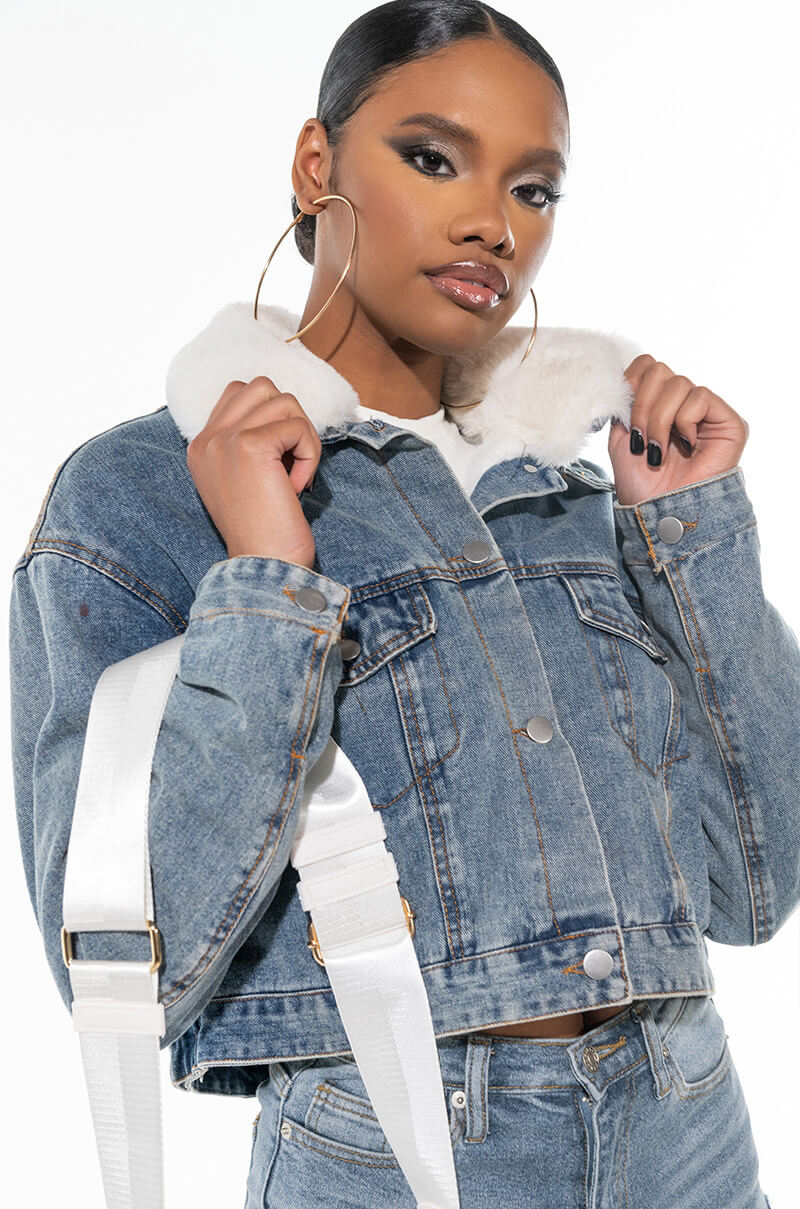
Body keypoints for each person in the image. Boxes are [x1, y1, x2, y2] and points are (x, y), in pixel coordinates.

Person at [9, 2, 795, 1205]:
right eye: (432, 158)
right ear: (314, 165)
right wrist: (269, 582)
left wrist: (692, 540)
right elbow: (120, 970)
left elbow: (754, 885)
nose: (492, 222)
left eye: (533, 190)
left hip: (688, 1124)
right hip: (393, 1145)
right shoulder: (143, 493)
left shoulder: (573, 491)